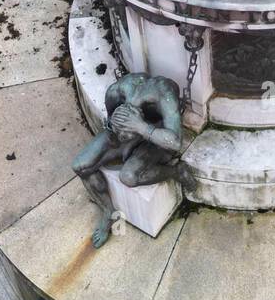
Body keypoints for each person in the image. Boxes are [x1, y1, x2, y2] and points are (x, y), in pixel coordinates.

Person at [72, 73, 191, 249]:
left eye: (128, 139)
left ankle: (177, 171)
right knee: (80, 165)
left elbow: (175, 142)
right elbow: (112, 122)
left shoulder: (163, 93)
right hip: (127, 124)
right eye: (124, 139)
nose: (125, 147)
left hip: (156, 130)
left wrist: (141, 128)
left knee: (128, 176)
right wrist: (115, 128)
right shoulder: (115, 92)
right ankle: (108, 211)